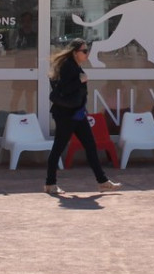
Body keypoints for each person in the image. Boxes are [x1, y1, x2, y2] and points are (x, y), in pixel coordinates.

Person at [44, 38, 121, 195]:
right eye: (84, 51)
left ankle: (102, 181)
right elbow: (63, 89)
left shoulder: (73, 65)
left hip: (77, 113)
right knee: (58, 147)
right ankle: (50, 184)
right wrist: (80, 80)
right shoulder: (67, 67)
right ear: (75, 52)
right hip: (66, 115)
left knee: (91, 146)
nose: (87, 54)